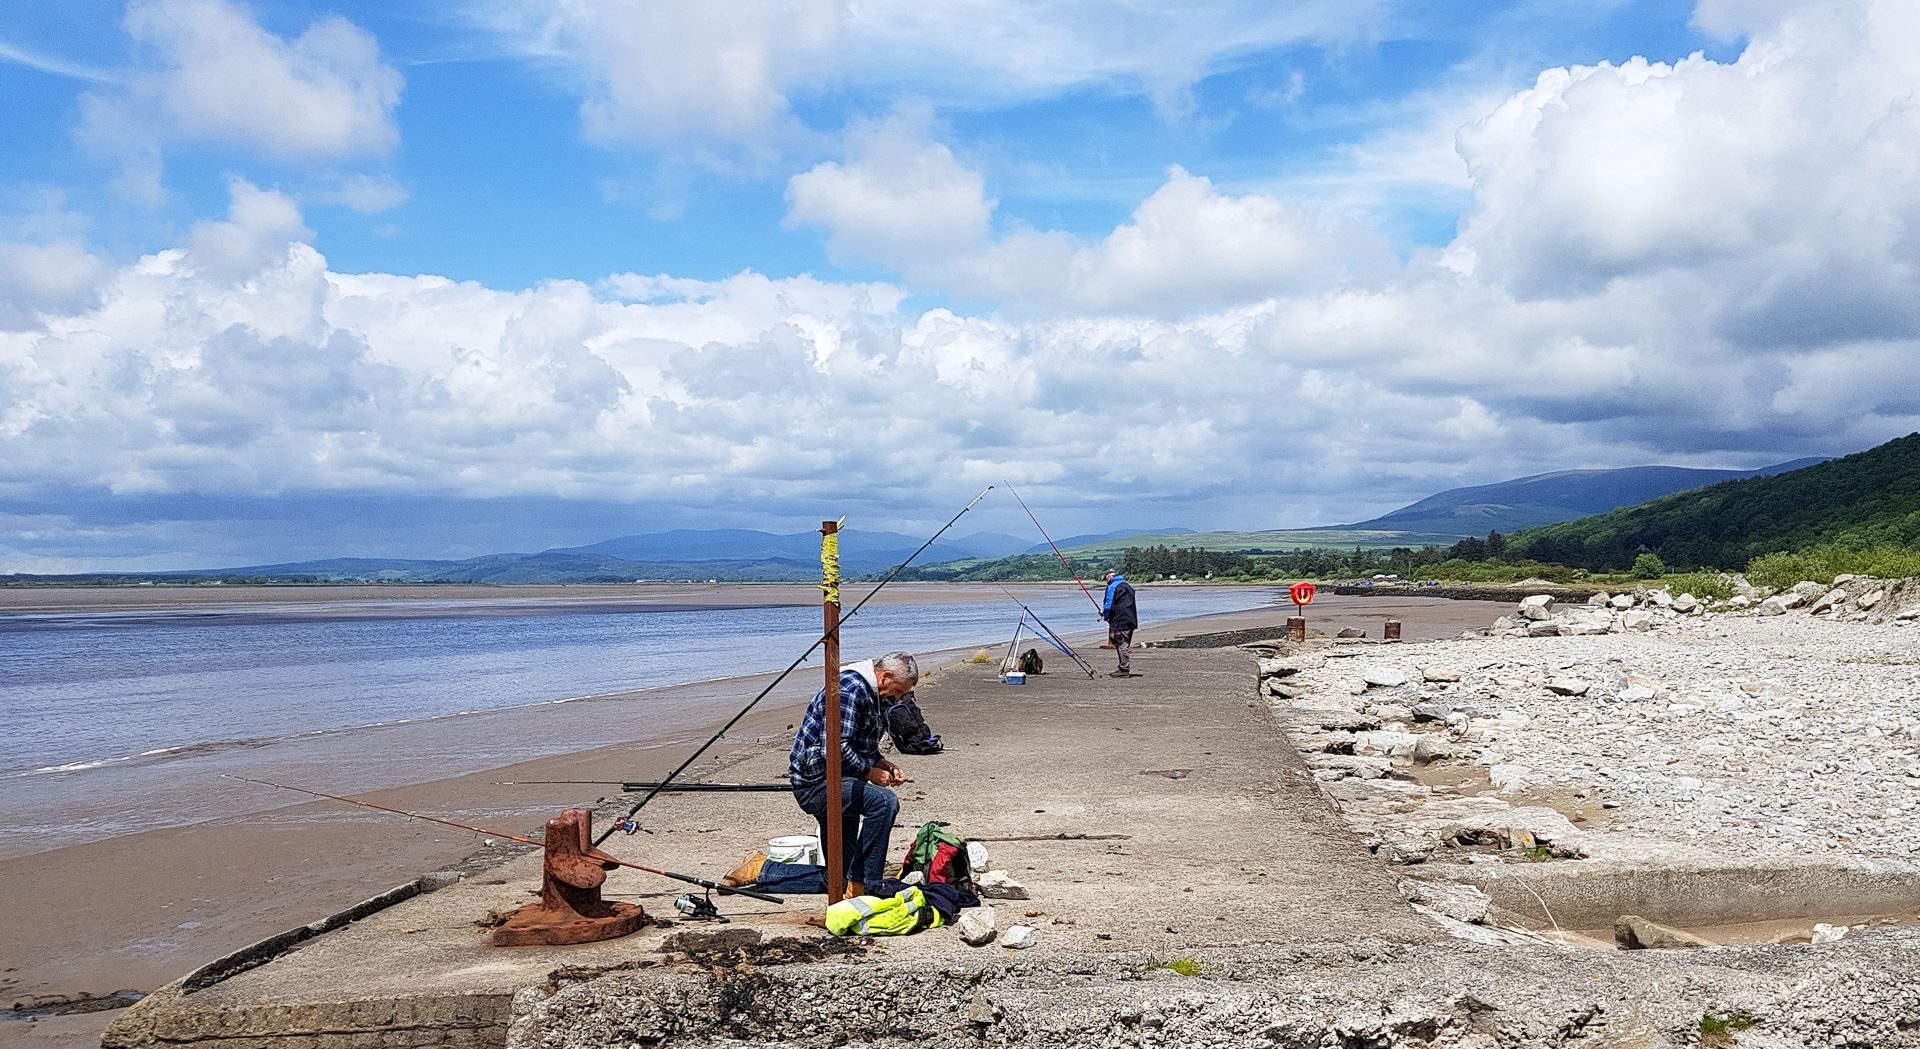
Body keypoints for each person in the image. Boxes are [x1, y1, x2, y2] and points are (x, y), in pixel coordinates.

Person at [723, 651, 917, 896]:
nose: (897, 698)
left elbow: (861, 744)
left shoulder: (873, 694)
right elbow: (835, 749)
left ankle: (760, 869)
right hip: (816, 784)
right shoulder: (850, 689)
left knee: (838, 877)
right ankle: (866, 885)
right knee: (884, 802)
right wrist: (870, 773)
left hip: (844, 779)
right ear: (885, 676)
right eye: (898, 690)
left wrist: (884, 763)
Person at [1100, 570, 1138, 678]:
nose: (1106, 581)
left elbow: (1108, 604)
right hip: (1131, 618)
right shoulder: (1127, 586)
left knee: (1122, 644)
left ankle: (1124, 669)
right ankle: (1123, 667)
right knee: (1125, 643)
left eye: (1106, 578)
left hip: (1120, 620)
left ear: (1110, 576)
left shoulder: (1113, 586)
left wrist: (1105, 615)